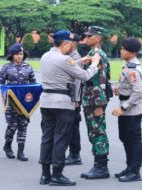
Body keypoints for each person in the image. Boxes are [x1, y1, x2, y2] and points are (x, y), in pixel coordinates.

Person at [39, 30, 101, 186]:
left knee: (47, 138)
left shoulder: (45, 56)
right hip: (62, 103)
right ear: (65, 43)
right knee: (61, 138)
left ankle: (45, 174)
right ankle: (57, 175)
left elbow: (62, 66)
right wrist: (94, 64)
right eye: (70, 44)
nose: (71, 47)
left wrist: (81, 61)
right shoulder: (65, 59)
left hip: (46, 101)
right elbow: (85, 76)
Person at [112, 37, 142, 182]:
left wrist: (123, 107)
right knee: (125, 138)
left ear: (132, 52)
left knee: (134, 140)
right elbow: (128, 85)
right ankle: (129, 167)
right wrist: (119, 88)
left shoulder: (133, 70)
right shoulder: (127, 65)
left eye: (124, 49)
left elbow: (138, 92)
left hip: (132, 110)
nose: (121, 51)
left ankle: (135, 171)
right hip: (126, 107)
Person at [80, 26, 112, 180]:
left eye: (90, 35)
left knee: (98, 132)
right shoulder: (91, 54)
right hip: (90, 99)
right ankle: (98, 165)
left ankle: (101, 168)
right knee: (93, 132)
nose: (87, 38)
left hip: (95, 101)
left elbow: (101, 80)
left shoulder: (97, 55)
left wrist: (99, 104)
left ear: (98, 38)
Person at [0, 43, 36, 161]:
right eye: (16, 54)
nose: (19, 56)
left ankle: (21, 151)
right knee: (12, 126)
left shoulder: (28, 67)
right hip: (11, 102)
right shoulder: (6, 68)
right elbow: (0, 84)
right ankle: (7, 146)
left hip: (25, 102)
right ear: (12, 55)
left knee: (23, 126)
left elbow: (34, 84)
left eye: (21, 54)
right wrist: (8, 90)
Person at [65, 33, 83, 166]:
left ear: (74, 43)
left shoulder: (75, 58)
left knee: (73, 127)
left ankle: (75, 154)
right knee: (68, 126)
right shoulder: (66, 57)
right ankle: (72, 153)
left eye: (68, 42)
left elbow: (77, 80)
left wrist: (75, 99)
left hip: (73, 98)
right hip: (67, 97)